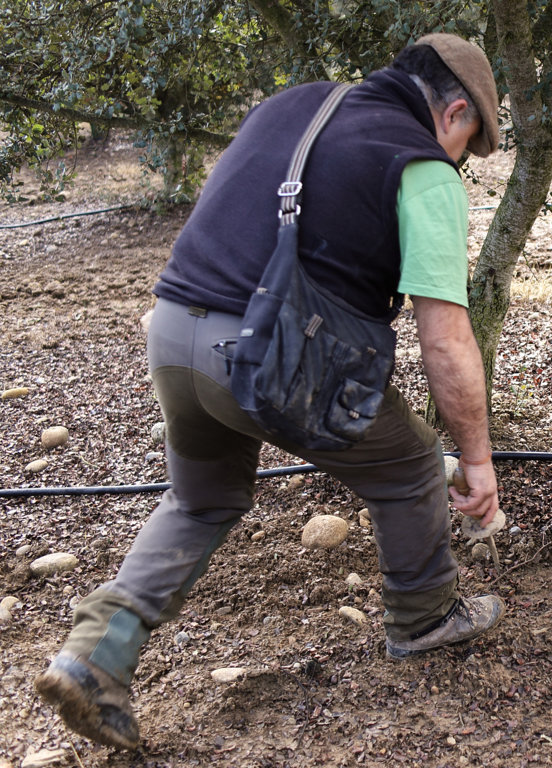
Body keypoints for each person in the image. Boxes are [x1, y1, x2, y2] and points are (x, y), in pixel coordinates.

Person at [35, 33, 504, 751]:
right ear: (456, 113)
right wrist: (477, 460)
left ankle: (95, 654)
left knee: (201, 499)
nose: (461, 164)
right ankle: (424, 619)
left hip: (173, 329)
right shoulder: (422, 168)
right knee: (412, 465)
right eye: (470, 147)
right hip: (270, 350)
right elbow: (444, 339)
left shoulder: (292, 106)